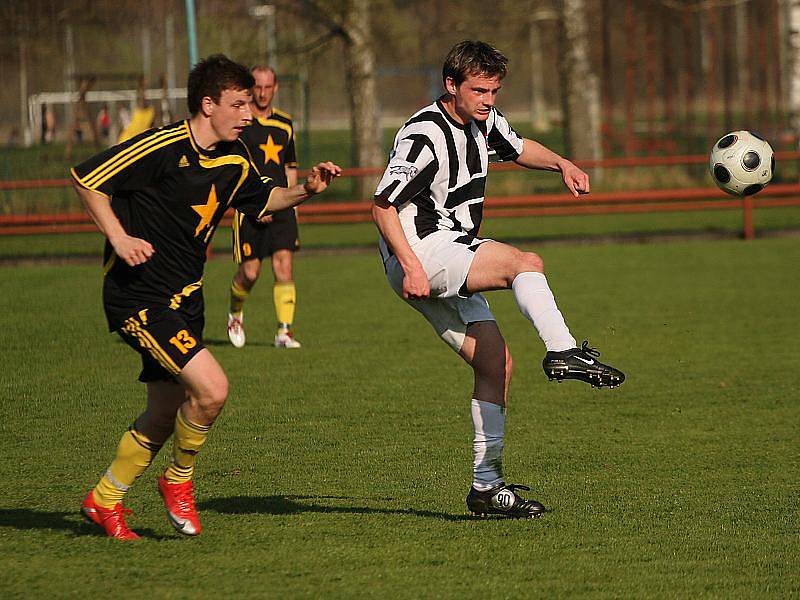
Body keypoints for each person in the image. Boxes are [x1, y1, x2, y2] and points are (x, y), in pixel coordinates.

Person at [71, 54, 341, 540]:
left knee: (163, 410)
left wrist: (307, 189)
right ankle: (177, 481)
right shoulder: (161, 145)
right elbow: (88, 180)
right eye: (238, 104)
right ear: (208, 103)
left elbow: (266, 199)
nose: (247, 114)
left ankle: (105, 499)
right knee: (212, 389)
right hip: (139, 296)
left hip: (186, 299)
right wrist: (118, 237)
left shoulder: (236, 159)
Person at [372, 40, 624, 519]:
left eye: (495, 91)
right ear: (451, 85)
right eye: (479, 90)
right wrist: (410, 266)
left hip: (442, 256)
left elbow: (519, 146)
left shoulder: (485, 121)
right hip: (423, 251)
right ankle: (564, 351)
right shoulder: (422, 135)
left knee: (496, 365)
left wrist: (562, 164)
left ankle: (486, 489)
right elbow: (382, 205)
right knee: (523, 263)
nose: (489, 100)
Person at [227, 66, 302, 349]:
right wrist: (255, 204)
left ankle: (284, 331)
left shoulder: (285, 124)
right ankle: (235, 313)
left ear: (275, 88)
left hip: (282, 206)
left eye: (267, 87)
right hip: (248, 208)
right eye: (257, 87)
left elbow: (290, 166)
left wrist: (293, 203)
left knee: (284, 267)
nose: (262, 92)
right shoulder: (239, 124)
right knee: (250, 273)